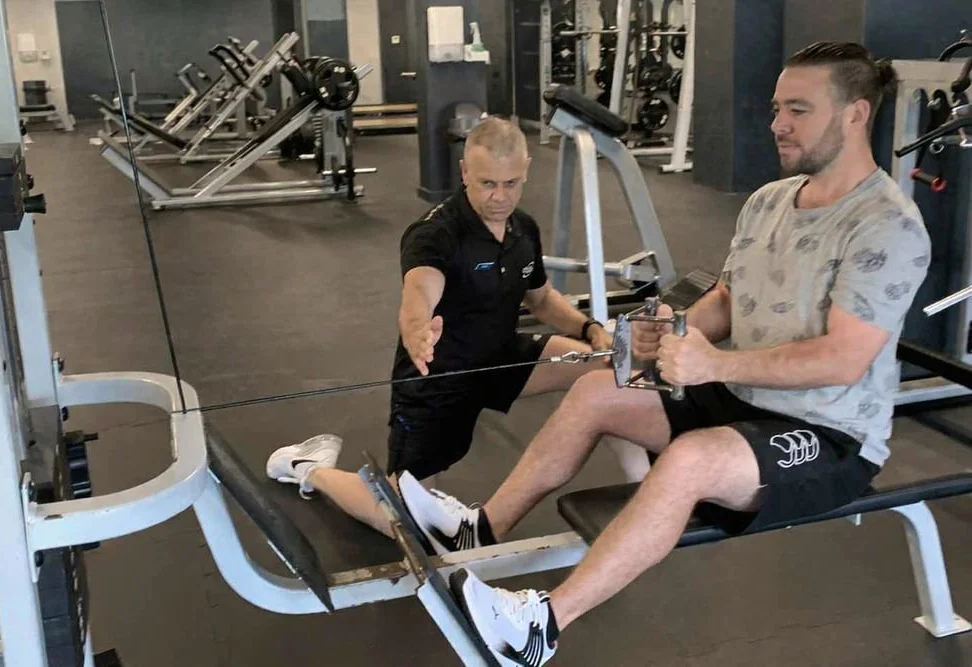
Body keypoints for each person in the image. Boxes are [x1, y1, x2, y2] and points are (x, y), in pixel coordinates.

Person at [393, 41, 933, 665]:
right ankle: (480, 528)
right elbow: (728, 300)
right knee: (597, 387)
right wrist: (666, 333)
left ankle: (540, 627)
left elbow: (843, 359)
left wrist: (713, 364)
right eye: (776, 107)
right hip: (742, 397)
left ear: (855, 115)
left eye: (798, 109)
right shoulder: (768, 202)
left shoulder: (886, 225)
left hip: (828, 430)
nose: (777, 123)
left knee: (689, 460)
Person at [265, 116, 614, 538]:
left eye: (511, 183)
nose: (500, 196)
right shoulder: (436, 232)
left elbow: (540, 298)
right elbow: (420, 288)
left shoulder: (524, 229)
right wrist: (415, 328)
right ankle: (309, 467)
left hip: (499, 360)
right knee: (400, 521)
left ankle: (644, 498)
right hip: (439, 375)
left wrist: (591, 328)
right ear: (465, 171)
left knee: (608, 365)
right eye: (487, 184)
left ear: (525, 172)